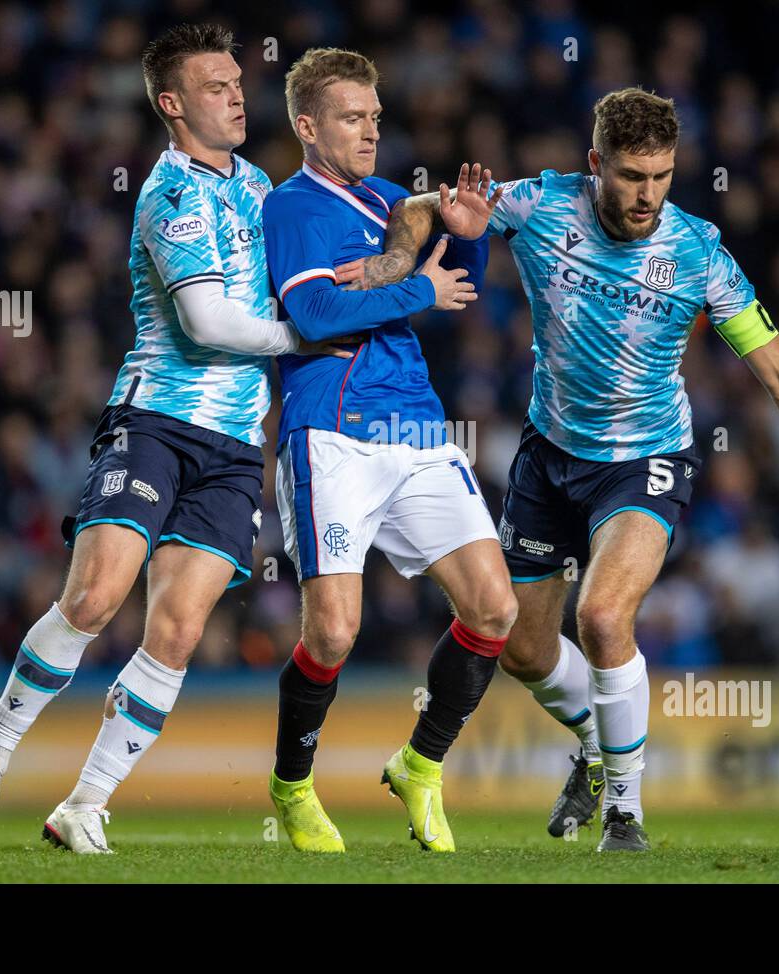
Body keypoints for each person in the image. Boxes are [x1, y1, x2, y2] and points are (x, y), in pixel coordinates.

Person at [349, 86, 779, 852]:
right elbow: (419, 205)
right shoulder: (540, 204)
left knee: (603, 617)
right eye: (631, 176)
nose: (647, 195)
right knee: (523, 650)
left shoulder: (698, 252)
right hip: (548, 457)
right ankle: (595, 743)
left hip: (645, 461)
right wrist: (401, 258)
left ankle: (625, 814)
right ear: (594, 165)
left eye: (662, 176)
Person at [0, 23, 350, 853]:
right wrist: (300, 339)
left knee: (176, 631)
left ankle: (85, 803)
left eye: (239, 82)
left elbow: (305, 281)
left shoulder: (260, 186)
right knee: (94, 599)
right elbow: (207, 324)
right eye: (216, 86)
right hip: (157, 419)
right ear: (172, 105)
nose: (238, 95)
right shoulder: (169, 195)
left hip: (236, 445)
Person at [261, 47, 516, 853]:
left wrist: (468, 241)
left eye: (375, 116)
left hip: (415, 426)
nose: (372, 130)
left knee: (494, 609)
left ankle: (420, 764)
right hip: (330, 428)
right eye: (351, 117)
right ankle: (293, 787)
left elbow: (455, 289)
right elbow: (313, 319)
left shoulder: (389, 199)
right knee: (333, 632)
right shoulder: (292, 206)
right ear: (308, 125)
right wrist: (414, 289)